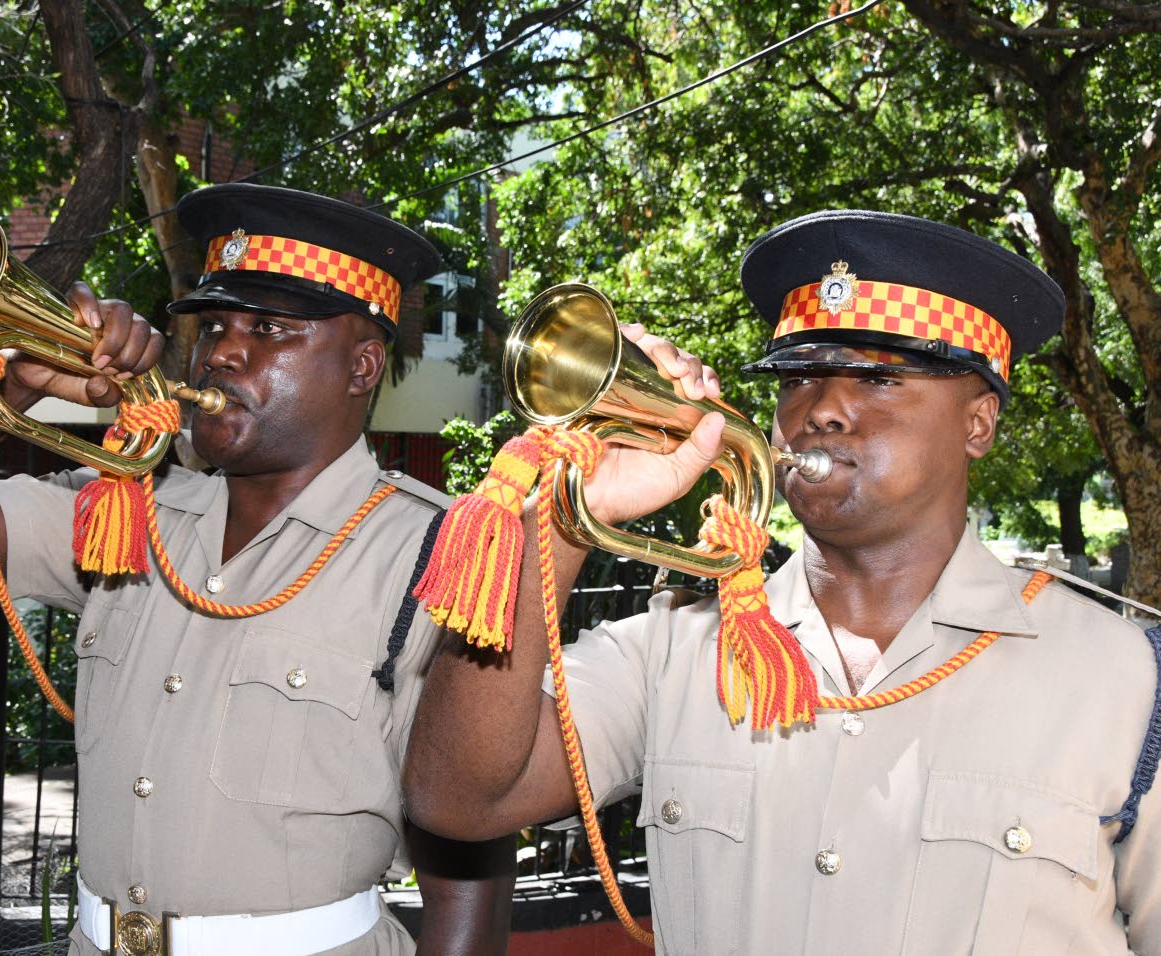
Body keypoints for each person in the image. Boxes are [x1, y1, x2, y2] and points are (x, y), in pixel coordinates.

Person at [403, 210, 1161, 954]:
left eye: (878, 378)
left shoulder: (1123, 675)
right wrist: (569, 519)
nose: (821, 409)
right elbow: (459, 799)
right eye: (796, 378)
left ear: (978, 423)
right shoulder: (670, 651)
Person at [0, 183, 512, 956]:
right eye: (212, 326)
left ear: (362, 366)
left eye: (269, 329)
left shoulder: (440, 554)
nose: (221, 354)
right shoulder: (122, 512)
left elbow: (471, 872)